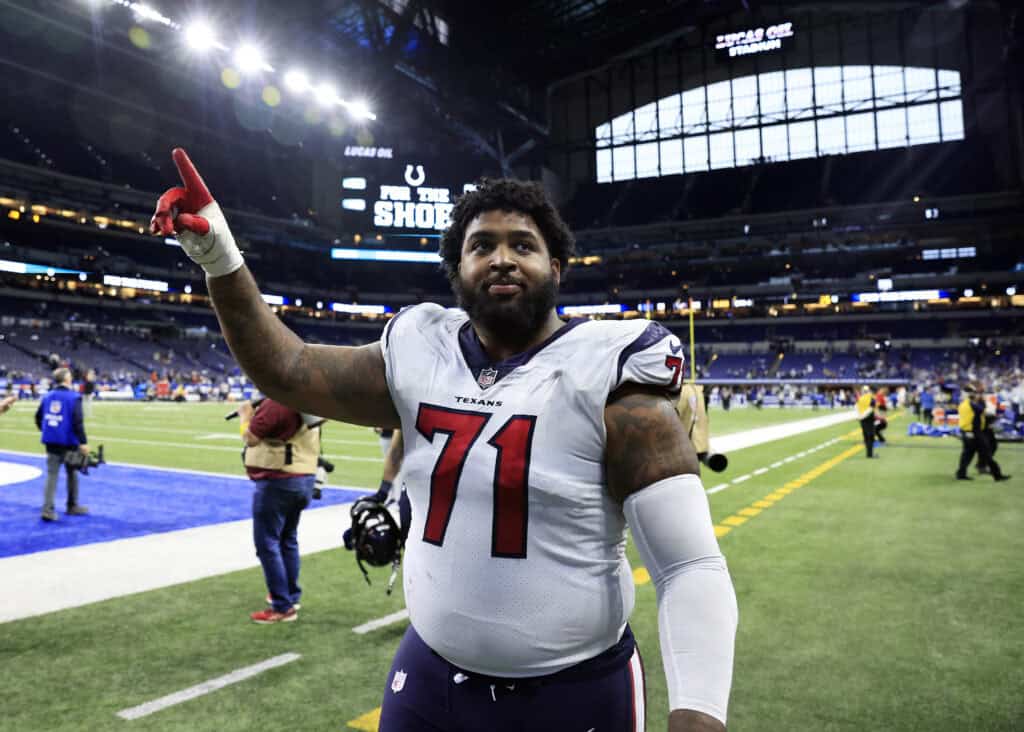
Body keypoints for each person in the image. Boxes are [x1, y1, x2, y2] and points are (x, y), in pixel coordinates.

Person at [152, 149, 738, 731]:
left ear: (557, 268)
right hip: (430, 679)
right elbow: (288, 367)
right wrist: (219, 255)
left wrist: (699, 716)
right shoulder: (420, 350)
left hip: (574, 692)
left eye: (523, 245)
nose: (502, 259)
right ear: (457, 271)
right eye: (481, 246)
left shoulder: (611, 373)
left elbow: (688, 565)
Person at [237, 397, 320, 623]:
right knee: (287, 539)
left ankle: (282, 606)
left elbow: (251, 437)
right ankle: (290, 595)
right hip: (303, 477)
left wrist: (245, 416)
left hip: (279, 479)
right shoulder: (309, 401)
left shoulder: (278, 402)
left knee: (267, 544)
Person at [35, 367, 90, 521]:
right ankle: (72, 506)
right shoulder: (74, 397)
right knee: (72, 473)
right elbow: (77, 422)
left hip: (51, 442)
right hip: (69, 442)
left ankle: (47, 509)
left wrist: (48, 430)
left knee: (52, 475)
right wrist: (83, 442)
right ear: (66, 379)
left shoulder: (47, 396)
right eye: (70, 376)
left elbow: (38, 417)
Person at [956, 385, 1009, 482]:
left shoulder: (963, 404)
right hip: (974, 433)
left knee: (967, 455)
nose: (975, 394)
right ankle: (997, 475)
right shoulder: (971, 404)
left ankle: (961, 474)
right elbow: (986, 412)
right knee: (986, 453)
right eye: (973, 392)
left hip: (967, 432)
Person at [856, 384, 877, 458]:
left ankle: (869, 453)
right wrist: (862, 416)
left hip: (862, 420)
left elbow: (857, 408)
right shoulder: (871, 398)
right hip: (868, 419)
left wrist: (859, 416)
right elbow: (870, 409)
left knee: (866, 437)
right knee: (870, 437)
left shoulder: (860, 398)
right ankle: (870, 454)